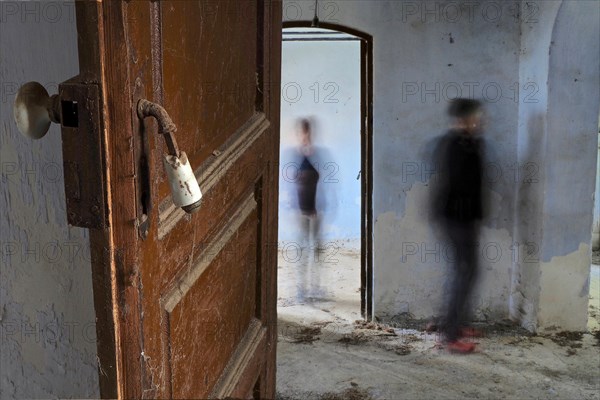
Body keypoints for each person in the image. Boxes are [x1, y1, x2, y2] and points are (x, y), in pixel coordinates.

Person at [431, 98, 486, 353]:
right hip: (456, 217)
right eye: (476, 116)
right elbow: (461, 183)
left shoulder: (465, 142)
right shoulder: (455, 145)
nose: (480, 120)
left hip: (463, 217)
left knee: (464, 272)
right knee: (466, 272)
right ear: (465, 118)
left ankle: (452, 324)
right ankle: (450, 335)